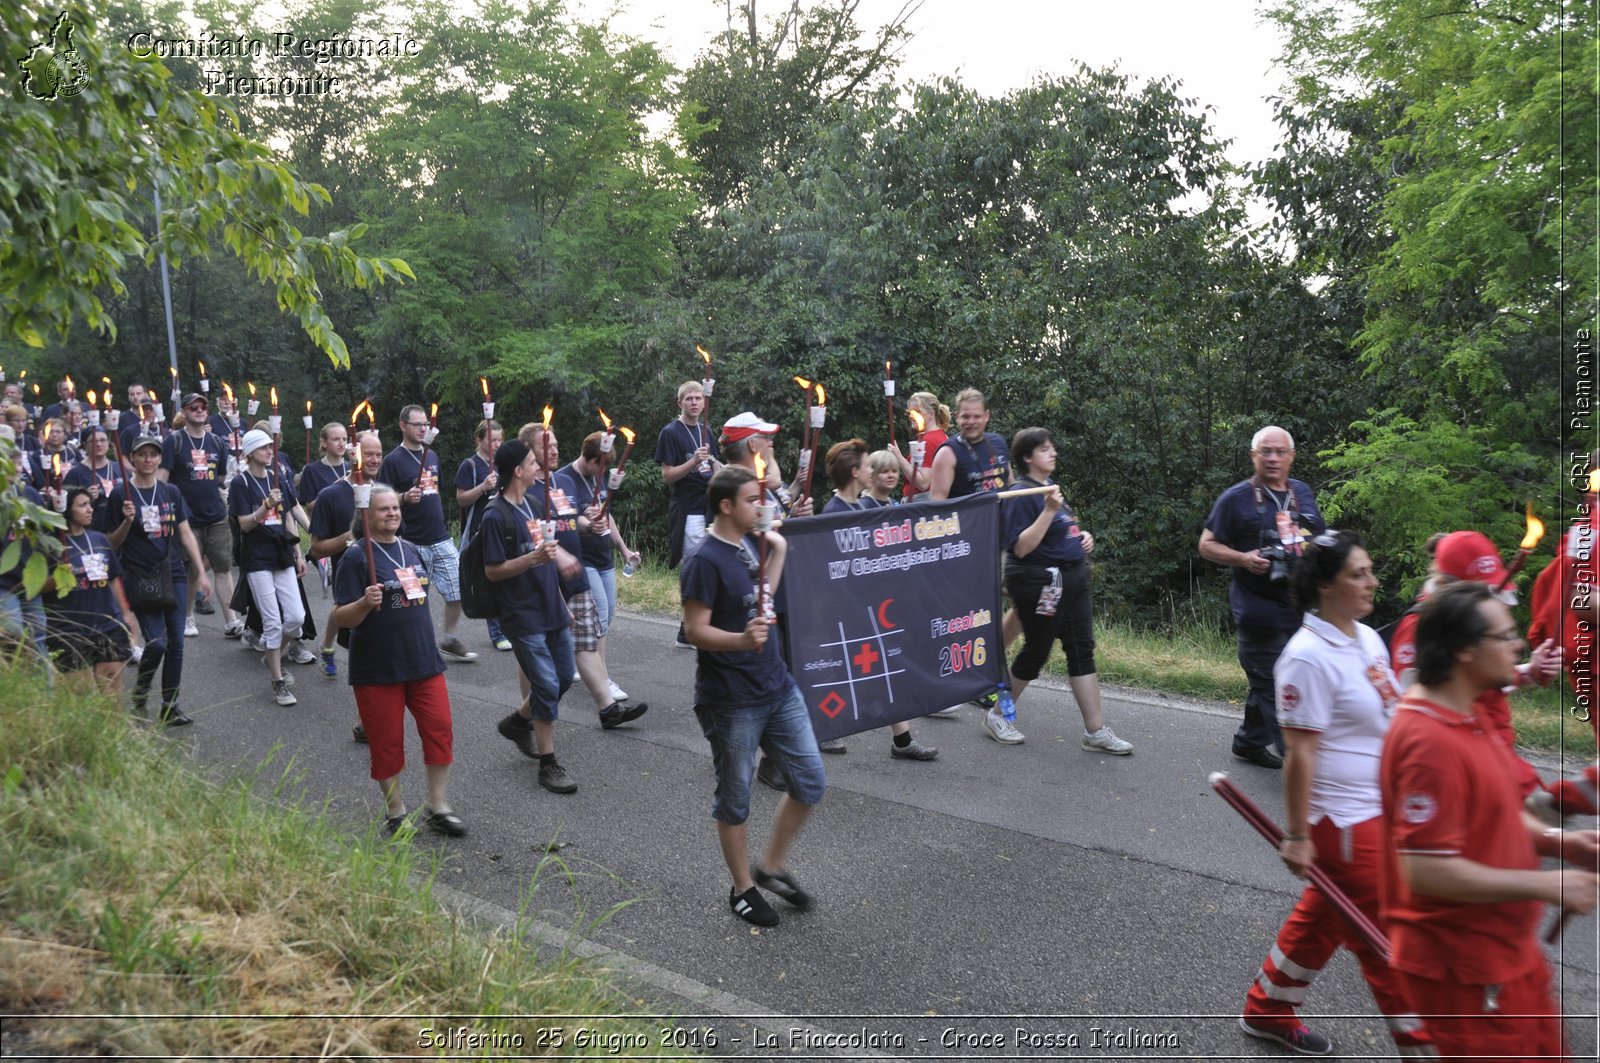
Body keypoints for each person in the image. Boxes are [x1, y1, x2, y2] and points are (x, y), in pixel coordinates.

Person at [1379, 581, 1600, 1061]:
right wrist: (1549, 887)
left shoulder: (1471, 713)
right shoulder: (1428, 743)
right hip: (1464, 971)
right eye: (1505, 636)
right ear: (1463, 650)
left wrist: (1563, 843)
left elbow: (1492, 819)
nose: (1518, 644)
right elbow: (1427, 869)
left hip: (1508, 953)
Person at [1237, 531, 1428, 1057]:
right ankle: (1431, 1046)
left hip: (1379, 807)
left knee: (1327, 914)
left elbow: (1390, 710)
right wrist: (1298, 835)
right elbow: (1301, 754)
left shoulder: (1365, 639)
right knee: (1383, 940)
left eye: (1369, 571)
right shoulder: (1306, 657)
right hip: (1342, 819)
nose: (1372, 581)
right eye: (1358, 574)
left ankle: (1267, 1009)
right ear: (1326, 586)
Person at [684, 465, 825, 926]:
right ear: (727, 506)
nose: (761, 507)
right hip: (731, 699)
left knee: (810, 781)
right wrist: (742, 642)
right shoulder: (704, 560)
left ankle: (771, 866)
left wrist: (778, 550)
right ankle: (742, 887)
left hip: (778, 686)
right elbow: (695, 630)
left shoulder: (750, 542)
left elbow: (760, 599)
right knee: (735, 797)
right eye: (751, 499)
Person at [332, 483, 465, 837]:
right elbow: (340, 617)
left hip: (423, 661)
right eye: (383, 509)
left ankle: (438, 805)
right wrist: (363, 603)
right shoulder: (356, 557)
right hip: (378, 668)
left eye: (395, 508)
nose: (392, 513)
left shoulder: (410, 550)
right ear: (367, 515)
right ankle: (396, 811)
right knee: (387, 744)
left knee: (440, 730)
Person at [996, 428, 1134, 753]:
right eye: (1045, 449)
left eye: (1052, 447)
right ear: (1028, 457)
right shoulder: (1021, 493)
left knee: (1081, 649)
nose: (1053, 453)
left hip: (1073, 579)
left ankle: (1095, 731)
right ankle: (999, 714)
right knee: (1036, 651)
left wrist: (1082, 536)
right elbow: (1022, 547)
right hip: (1040, 582)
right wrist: (1046, 510)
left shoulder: (1051, 489)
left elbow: (1061, 529)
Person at [1199, 425, 1327, 769]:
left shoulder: (1302, 493)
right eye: (1265, 452)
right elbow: (1206, 545)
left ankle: (1249, 742)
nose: (1272, 459)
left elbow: (1319, 538)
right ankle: (1309, 771)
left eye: (1279, 452)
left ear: (1292, 457)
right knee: (1282, 691)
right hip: (1258, 611)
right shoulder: (1236, 498)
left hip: (1300, 610)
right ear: (1253, 456)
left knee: (1272, 680)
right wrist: (1242, 558)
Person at [484, 437, 579, 795]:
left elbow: (546, 561)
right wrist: (532, 559)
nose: (538, 465)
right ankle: (548, 763)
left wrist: (562, 604)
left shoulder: (535, 502)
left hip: (550, 607)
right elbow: (493, 570)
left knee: (564, 679)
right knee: (547, 685)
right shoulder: (496, 515)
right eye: (531, 462)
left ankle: (517, 722)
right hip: (521, 615)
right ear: (518, 471)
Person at [104, 435, 213, 726]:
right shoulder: (120, 494)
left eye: (154, 454)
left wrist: (201, 572)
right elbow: (111, 543)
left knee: (176, 643)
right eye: (142, 455)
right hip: (139, 574)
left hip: (172, 572)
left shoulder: (170, 492)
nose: (148, 460)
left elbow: (186, 532)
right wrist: (127, 521)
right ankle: (140, 692)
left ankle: (170, 705)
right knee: (156, 643)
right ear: (133, 458)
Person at [378, 405, 477, 661]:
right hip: (411, 541)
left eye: (426, 425)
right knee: (414, 597)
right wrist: (402, 497)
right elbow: (381, 499)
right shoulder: (393, 460)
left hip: (440, 536)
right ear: (403, 426)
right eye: (417, 424)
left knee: (459, 589)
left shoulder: (431, 456)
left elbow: (436, 489)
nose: (423, 428)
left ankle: (449, 637)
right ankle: (416, 644)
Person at [560, 430, 648, 716]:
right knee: (598, 617)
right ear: (590, 458)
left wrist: (624, 550)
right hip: (581, 557)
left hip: (603, 558)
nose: (604, 471)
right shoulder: (565, 478)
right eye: (601, 464)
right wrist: (586, 524)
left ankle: (578, 659)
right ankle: (603, 679)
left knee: (607, 615)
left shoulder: (600, 478)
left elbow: (606, 514)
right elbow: (569, 517)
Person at [228, 429, 308, 706]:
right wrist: (265, 507)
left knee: (297, 617)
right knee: (272, 622)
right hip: (257, 557)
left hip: (281, 553)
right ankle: (278, 681)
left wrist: (298, 552)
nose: (269, 451)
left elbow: (287, 518)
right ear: (249, 453)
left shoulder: (279, 477)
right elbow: (245, 524)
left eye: (270, 447)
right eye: (262, 448)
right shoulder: (241, 483)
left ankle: (270, 655)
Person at [158, 393, 241, 639]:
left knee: (223, 567)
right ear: (184, 411)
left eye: (203, 406)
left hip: (215, 515)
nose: (199, 409)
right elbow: (162, 479)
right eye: (193, 406)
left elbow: (220, 479)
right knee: (191, 570)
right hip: (186, 518)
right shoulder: (174, 442)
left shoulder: (217, 443)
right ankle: (187, 618)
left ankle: (231, 621)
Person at [44, 487, 140, 697]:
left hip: (107, 624)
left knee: (112, 687)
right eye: (82, 505)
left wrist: (126, 614)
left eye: (89, 504)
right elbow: (36, 588)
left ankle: (116, 729)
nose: (90, 510)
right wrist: (56, 579)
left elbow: (113, 578)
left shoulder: (99, 540)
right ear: (66, 509)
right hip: (70, 629)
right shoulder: (50, 545)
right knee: (80, 692)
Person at [309, 430, 385, 682]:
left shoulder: (383, 494)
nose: (374, 460)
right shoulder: (330, 495)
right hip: (348, 573)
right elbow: (316, 548)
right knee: (347, 618)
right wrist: (350, 536)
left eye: (379, 454)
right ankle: (329, 648)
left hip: (381, 575)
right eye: (369, 454)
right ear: (355, 455)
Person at [655, 380, 721, 582]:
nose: (694, 403)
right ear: (680, 403)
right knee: (695, 568)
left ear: (704, 403)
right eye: (689, 399)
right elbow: (667, 476)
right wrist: (693, 461)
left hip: (710, 507)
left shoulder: (706, 430)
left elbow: (715, 465)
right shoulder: (670, 432)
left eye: (698, 398)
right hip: (689, 509)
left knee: (713, 567)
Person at [454, 418, 510, 652]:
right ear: (479, 440)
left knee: (507, 579)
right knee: (491, 578)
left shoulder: (503, 464)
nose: (497, 444)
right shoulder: (470, 465)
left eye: (500, 440)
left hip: (502, 527)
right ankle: (496, 631)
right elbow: (461, 498)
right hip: (479, 529)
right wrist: (483, 488)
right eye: (492, 439)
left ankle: (508, 626)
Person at [0, 424, 49, 662]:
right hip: (3, 582)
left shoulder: (30, 495)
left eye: (16, 459)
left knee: (38, 635)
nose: (14, 465)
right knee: (14, 636)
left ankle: (45, 696)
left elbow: (42, 532)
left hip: (29, 580)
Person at [61, 424, 123, 530]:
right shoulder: (76, 473)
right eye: (93, 441)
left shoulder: (119, 468)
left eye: (103, 440)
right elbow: (66, 507)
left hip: (119, 526)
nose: (99, 444)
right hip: (93, 529)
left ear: (108, 443)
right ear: (85, 445)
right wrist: (87, 499)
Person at [297, 421, 352, 519]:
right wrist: (336, 488)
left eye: (344, 439)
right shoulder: (311, 470)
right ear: (324, 443)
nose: (341, 443)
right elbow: (310, 508)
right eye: (336, 439)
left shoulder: (351, 468)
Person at [900, 391, 949, 501]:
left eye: (917, 412)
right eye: (910, 412)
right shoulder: (942, 436)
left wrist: (898, 457)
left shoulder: (929, 440)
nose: (912, 416)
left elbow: (923, 483)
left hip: (920, 502)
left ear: (931, 414)